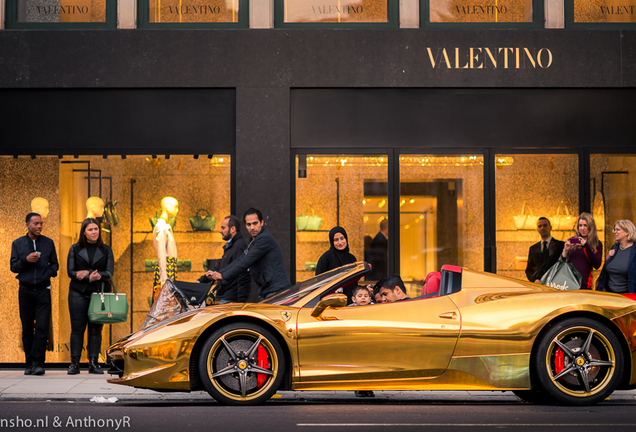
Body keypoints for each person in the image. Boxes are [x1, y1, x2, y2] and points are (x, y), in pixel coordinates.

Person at [10, 213, 59, 376]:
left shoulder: (48, 243)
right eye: (36, 223)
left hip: (43, 290)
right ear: (27, 224)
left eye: (41, 224)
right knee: (27, 328)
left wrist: (48, 273)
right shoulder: (17, 243)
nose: (39, 226)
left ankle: (39, 363)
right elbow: (14, 267)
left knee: (42, 328)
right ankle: (29, 363)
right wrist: (26, 260)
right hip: (25, 291)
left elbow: (55, 264)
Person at [66, 218, 114, 375]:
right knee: (77, 329)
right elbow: (70, 272)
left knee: (95, 330)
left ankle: (93, 363)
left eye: (96, 229)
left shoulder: (106, 250)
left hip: (99, 294)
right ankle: (74, 364)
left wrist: (88, 274)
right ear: (84, 232)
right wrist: (89, 277)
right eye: (90, 230)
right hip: (77, 293)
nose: (94, 232)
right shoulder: (74, 248)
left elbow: (109, 273)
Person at [209, 208, 290, 300]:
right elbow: (240, 259)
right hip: (268, 291)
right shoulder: (254, 240)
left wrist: (223, 275)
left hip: (276, 292)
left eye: (255, 223)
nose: (252, 227)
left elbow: (245, 261)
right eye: (249, 224)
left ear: (262, 223)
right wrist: (219, 273)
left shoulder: (264, 239)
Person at [197, 215, 251, 303]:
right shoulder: (231, 246)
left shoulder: (239, 246)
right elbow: (220, 267)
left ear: (233, 229)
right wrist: (201, 280)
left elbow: (243, 274)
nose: (220, 231)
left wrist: (241, 302)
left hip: (231, 298)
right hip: (225, 296)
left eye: (223, 228)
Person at [561, 212, 603, 290]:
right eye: (580, 225)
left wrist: (586, 246)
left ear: (591, 227)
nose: (582, 228)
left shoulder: (596, 243)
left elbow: (597, 265)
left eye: (585, 225)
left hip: (585, 286)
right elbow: (562, 264)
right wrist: (565, 250)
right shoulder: (573, 241)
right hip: (569, 284)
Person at [595, 220, 636, 294]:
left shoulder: (634, 250)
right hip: (611, 295)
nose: (614, 232)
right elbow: (606, 270)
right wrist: (607, 258)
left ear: (627, 232)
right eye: (614, 229)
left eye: (618, 230)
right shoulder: (614, 247)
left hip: (628, 296)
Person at [153, 196, 178, 299]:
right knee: (164, 305)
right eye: (175, 207)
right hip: (166, 270)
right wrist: (164, 278)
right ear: (167, 208)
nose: (177, 210)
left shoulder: (165, 226)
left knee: (170, 304)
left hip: (170, 269)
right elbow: (161, 253)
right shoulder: (161, 227)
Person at [525, 217, 565, 283]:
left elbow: (564, 265)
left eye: (545, 225)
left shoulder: (561, 245)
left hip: (556, 284)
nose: (542, 228)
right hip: (538, 285)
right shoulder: (533, 248)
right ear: (537, 229)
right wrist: (535, 280)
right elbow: (529, 270)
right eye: (539, 226)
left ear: (550, 227)